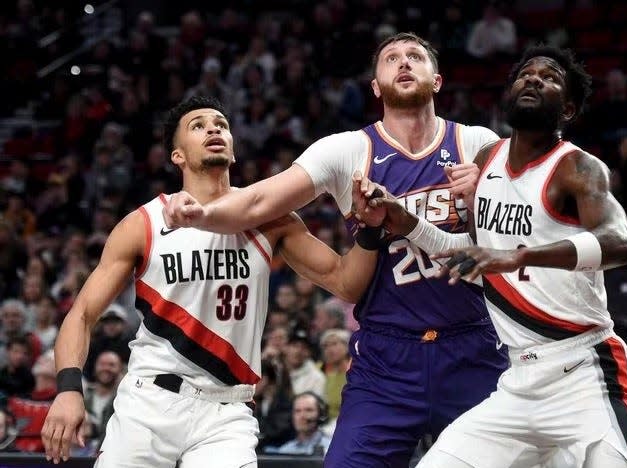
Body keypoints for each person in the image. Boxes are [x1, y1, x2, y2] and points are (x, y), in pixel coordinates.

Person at [163, 32, 508, 467]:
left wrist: (484, 197)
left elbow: (517, 248)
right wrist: (199, 212)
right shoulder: (347, 150)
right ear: (375, 86)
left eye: (415, 57)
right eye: (391, 59)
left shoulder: (477, 144)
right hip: (387, 360)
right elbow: (257, 202)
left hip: (472, 346)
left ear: (436, 80)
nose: (404, 63)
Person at [40, 96, 378, 467]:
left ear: (233, 151)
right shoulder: (144, 223)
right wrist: (69, 390)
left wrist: (371, 232)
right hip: (149, 403)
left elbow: (347, 283)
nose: (213, 129)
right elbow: (83, 314)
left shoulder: (270, 220)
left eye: (221, 124)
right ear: (177, 156)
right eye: (197, 126)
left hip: (227, 412)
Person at [354, 45, 627, 467]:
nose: (533, 80)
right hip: (518, 383)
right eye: (526, 74)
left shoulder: (578, 168)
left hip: (584, 372)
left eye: (549, 78)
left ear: (566, 109)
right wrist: (408, 223)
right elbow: (473, 256)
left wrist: (519, 257)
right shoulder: (487, 159)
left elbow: (621, 244)